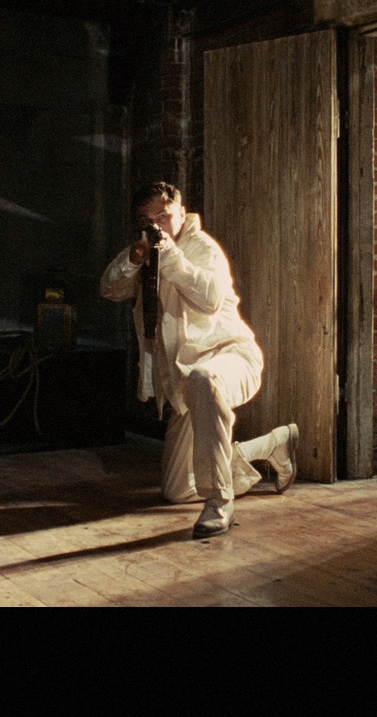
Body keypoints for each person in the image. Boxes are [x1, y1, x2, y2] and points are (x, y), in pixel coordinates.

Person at [100, 181, 298, 539]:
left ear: (180, 212)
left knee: (204, 379)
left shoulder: (202, 248)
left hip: (232, 359)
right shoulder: (145, 252)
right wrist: (134, 259)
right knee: (176, 490)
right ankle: (272, 445)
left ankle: (220, 502)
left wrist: (170, 255)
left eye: (163, 215)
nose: (156, 224)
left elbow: (207, 298)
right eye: (147, 219)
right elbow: (109, 288)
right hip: (188, 382)